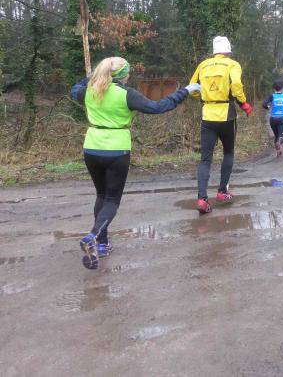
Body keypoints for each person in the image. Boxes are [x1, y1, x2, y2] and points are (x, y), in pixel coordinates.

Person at [70, 57, 200, 269]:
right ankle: (93, 236)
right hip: (117, 150)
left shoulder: (89, 90)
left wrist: (89, 78)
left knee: (101, 195)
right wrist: (185, 91)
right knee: (112, 200)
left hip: (91, 148)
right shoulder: (126, 94)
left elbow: (74, 89)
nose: (129, 76)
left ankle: (102, 244)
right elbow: (158, 107)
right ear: (123, 76)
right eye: (128, 73)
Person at [189, 36, 253, 214]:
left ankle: (202, 199)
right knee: (228, 152)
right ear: (228, 51)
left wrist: (203, 97)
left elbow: (192, 87)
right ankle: (222, 192)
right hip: (227, 115)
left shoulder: (203, 65)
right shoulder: (233, 64)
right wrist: (243, 103)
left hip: (207, 114)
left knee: (205, 159)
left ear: (214, 51)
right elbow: (236, 85)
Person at [262, 80, 283, 156]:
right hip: (282, 119)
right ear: (282, 87)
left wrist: (267, 107)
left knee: (276, 135)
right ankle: (279, 143)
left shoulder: (271, 96)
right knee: (281, 136)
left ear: (274, 87)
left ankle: (278, 151)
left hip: (273, 119)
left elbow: (264, 104)